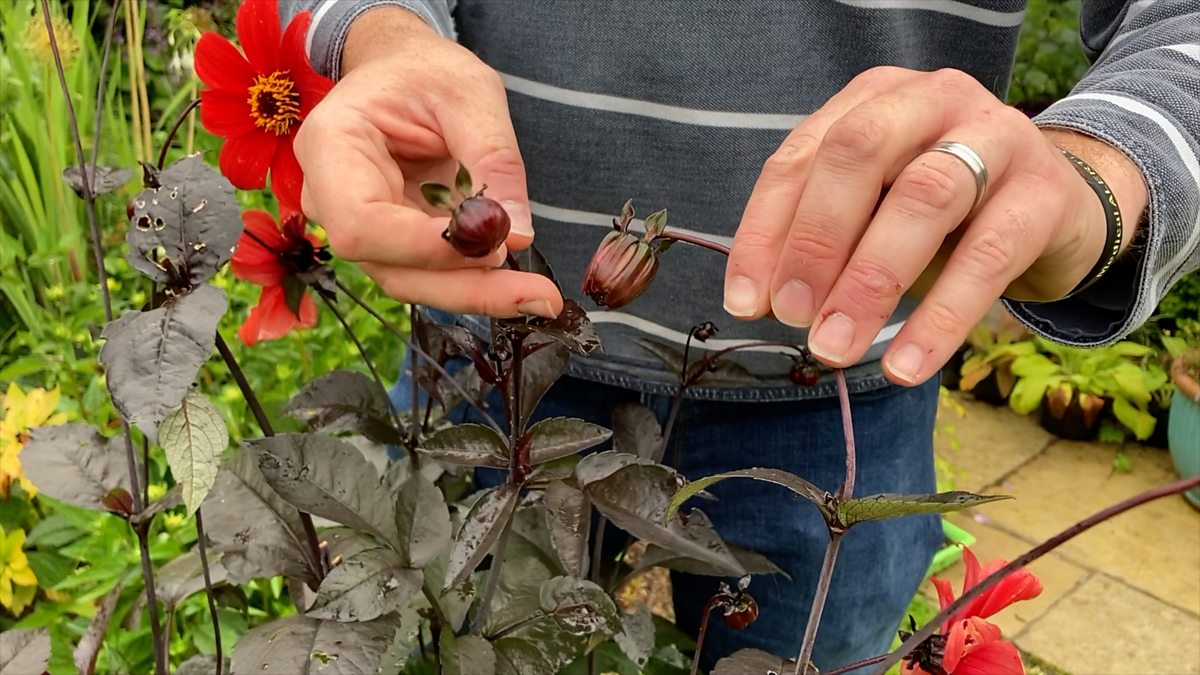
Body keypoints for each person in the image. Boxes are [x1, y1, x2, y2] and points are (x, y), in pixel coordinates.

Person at [282, 0, 1200, 670]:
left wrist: (1102, 171)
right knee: (456, 642)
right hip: (493, 356)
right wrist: (381, 31)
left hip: (838, 392)